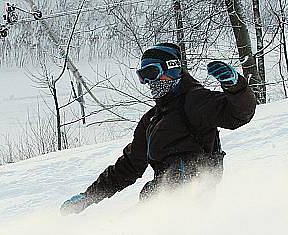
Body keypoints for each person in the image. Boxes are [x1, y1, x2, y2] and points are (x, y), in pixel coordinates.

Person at [60, 43, 257, 215]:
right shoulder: (151, 120)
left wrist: (236, 87)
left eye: (151, 73)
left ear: (171, 69)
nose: (148, 82)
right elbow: (129, 166)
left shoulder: (194, 101)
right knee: (121, 232)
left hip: (192, 193)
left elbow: (238, 114)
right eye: (142, 77)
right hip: (161, 197)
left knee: (128, 233)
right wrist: (89, 196)